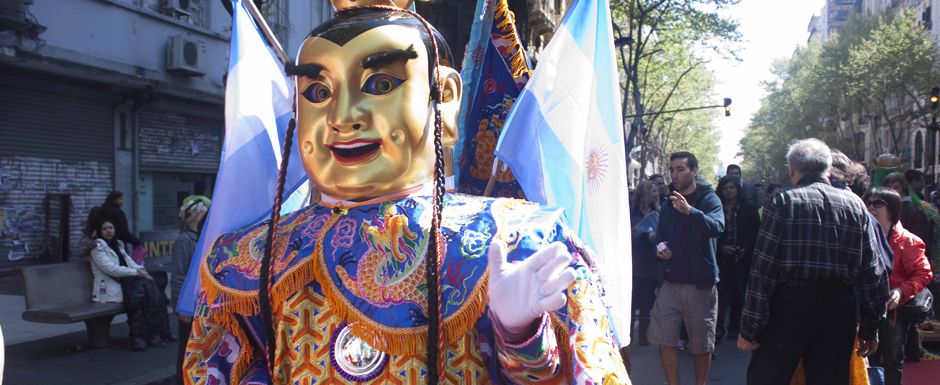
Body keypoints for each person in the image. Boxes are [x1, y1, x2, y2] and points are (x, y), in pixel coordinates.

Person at [182, 2, 629, 384]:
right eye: (318, 91)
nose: (343, 116)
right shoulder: (247, 257)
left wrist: (521, 336)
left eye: (379, 85)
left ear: (445, 99)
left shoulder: (520, 241)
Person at [739, 138, 888, 385]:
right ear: (828, 169)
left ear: (791, 169)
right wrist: (871, 326)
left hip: (789, 307)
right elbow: (873, 271)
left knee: (766, 378)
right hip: (839, 308)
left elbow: (762, 270)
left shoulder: (782, 201)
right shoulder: (855, 205)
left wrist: (751, 327)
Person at [648, 151, 724, 385]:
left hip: (699, 285)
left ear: (694, 172)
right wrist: (660, 249)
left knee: (701, 346)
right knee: (665, 341)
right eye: (672, 170)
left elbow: (717, 227)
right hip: (670, 283)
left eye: (680, 169)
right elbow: (660, 238)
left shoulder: (709, 198)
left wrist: (690, 211)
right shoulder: (668, 202)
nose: (674, 174)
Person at [864, 187, 934, 385]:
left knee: (893, 360)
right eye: (868, 203)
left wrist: (901, 290)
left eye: (878, 204)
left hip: (894, 311)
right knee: (867, 359)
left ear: (893, 209)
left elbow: (923, 273)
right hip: (867, 309)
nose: (871, 208)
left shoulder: (909, 242)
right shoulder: (863, 236)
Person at [86, 217, 175, 351]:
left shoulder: (118, 244)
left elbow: (130, 262)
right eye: (104, 229)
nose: (108, 231)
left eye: (110, 228)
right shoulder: (97, 248)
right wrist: (137, 273)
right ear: (99, 231)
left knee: (155, 285)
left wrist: (140, 270)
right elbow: (111, 269)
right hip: (111, 286)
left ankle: (151, 334)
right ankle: (150, 334)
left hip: (127, 282)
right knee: (142, 295)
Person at [714, 175, 760, 343]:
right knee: (721, 293)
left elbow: (756, 231)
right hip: (721, 257)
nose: (728, 191)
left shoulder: (748, 207)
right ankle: (718, 329)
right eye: (725, 188)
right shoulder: (716, 207)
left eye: (732, 188)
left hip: (741, 257)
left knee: (739, 294)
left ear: (737, 189)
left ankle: (734, 327)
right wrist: (721, 247)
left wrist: (746, 248)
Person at [171, 200, 207, 383]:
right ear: (198, 217)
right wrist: (181, 306)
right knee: (185, 345)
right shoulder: (184, 241)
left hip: (199, 303)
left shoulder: (200, 237)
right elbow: (178, 276)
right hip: (187, 305)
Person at [631, 179, 663, 346]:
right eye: (654, 191)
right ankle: (627, 336)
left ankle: (644, 334)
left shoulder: (659, 213)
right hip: (634, 262)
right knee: (632, 301)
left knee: (647, 302)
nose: (657, 194)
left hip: (651, 264)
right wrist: (644, 237)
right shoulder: (631, 211)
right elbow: (628, 235)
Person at [883, 173, 931, 252]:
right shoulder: (882, 208)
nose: (892, 190)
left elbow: (917, 238)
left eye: (896, 187)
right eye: (889, 187)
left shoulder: (911, 210)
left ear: (904, 191)